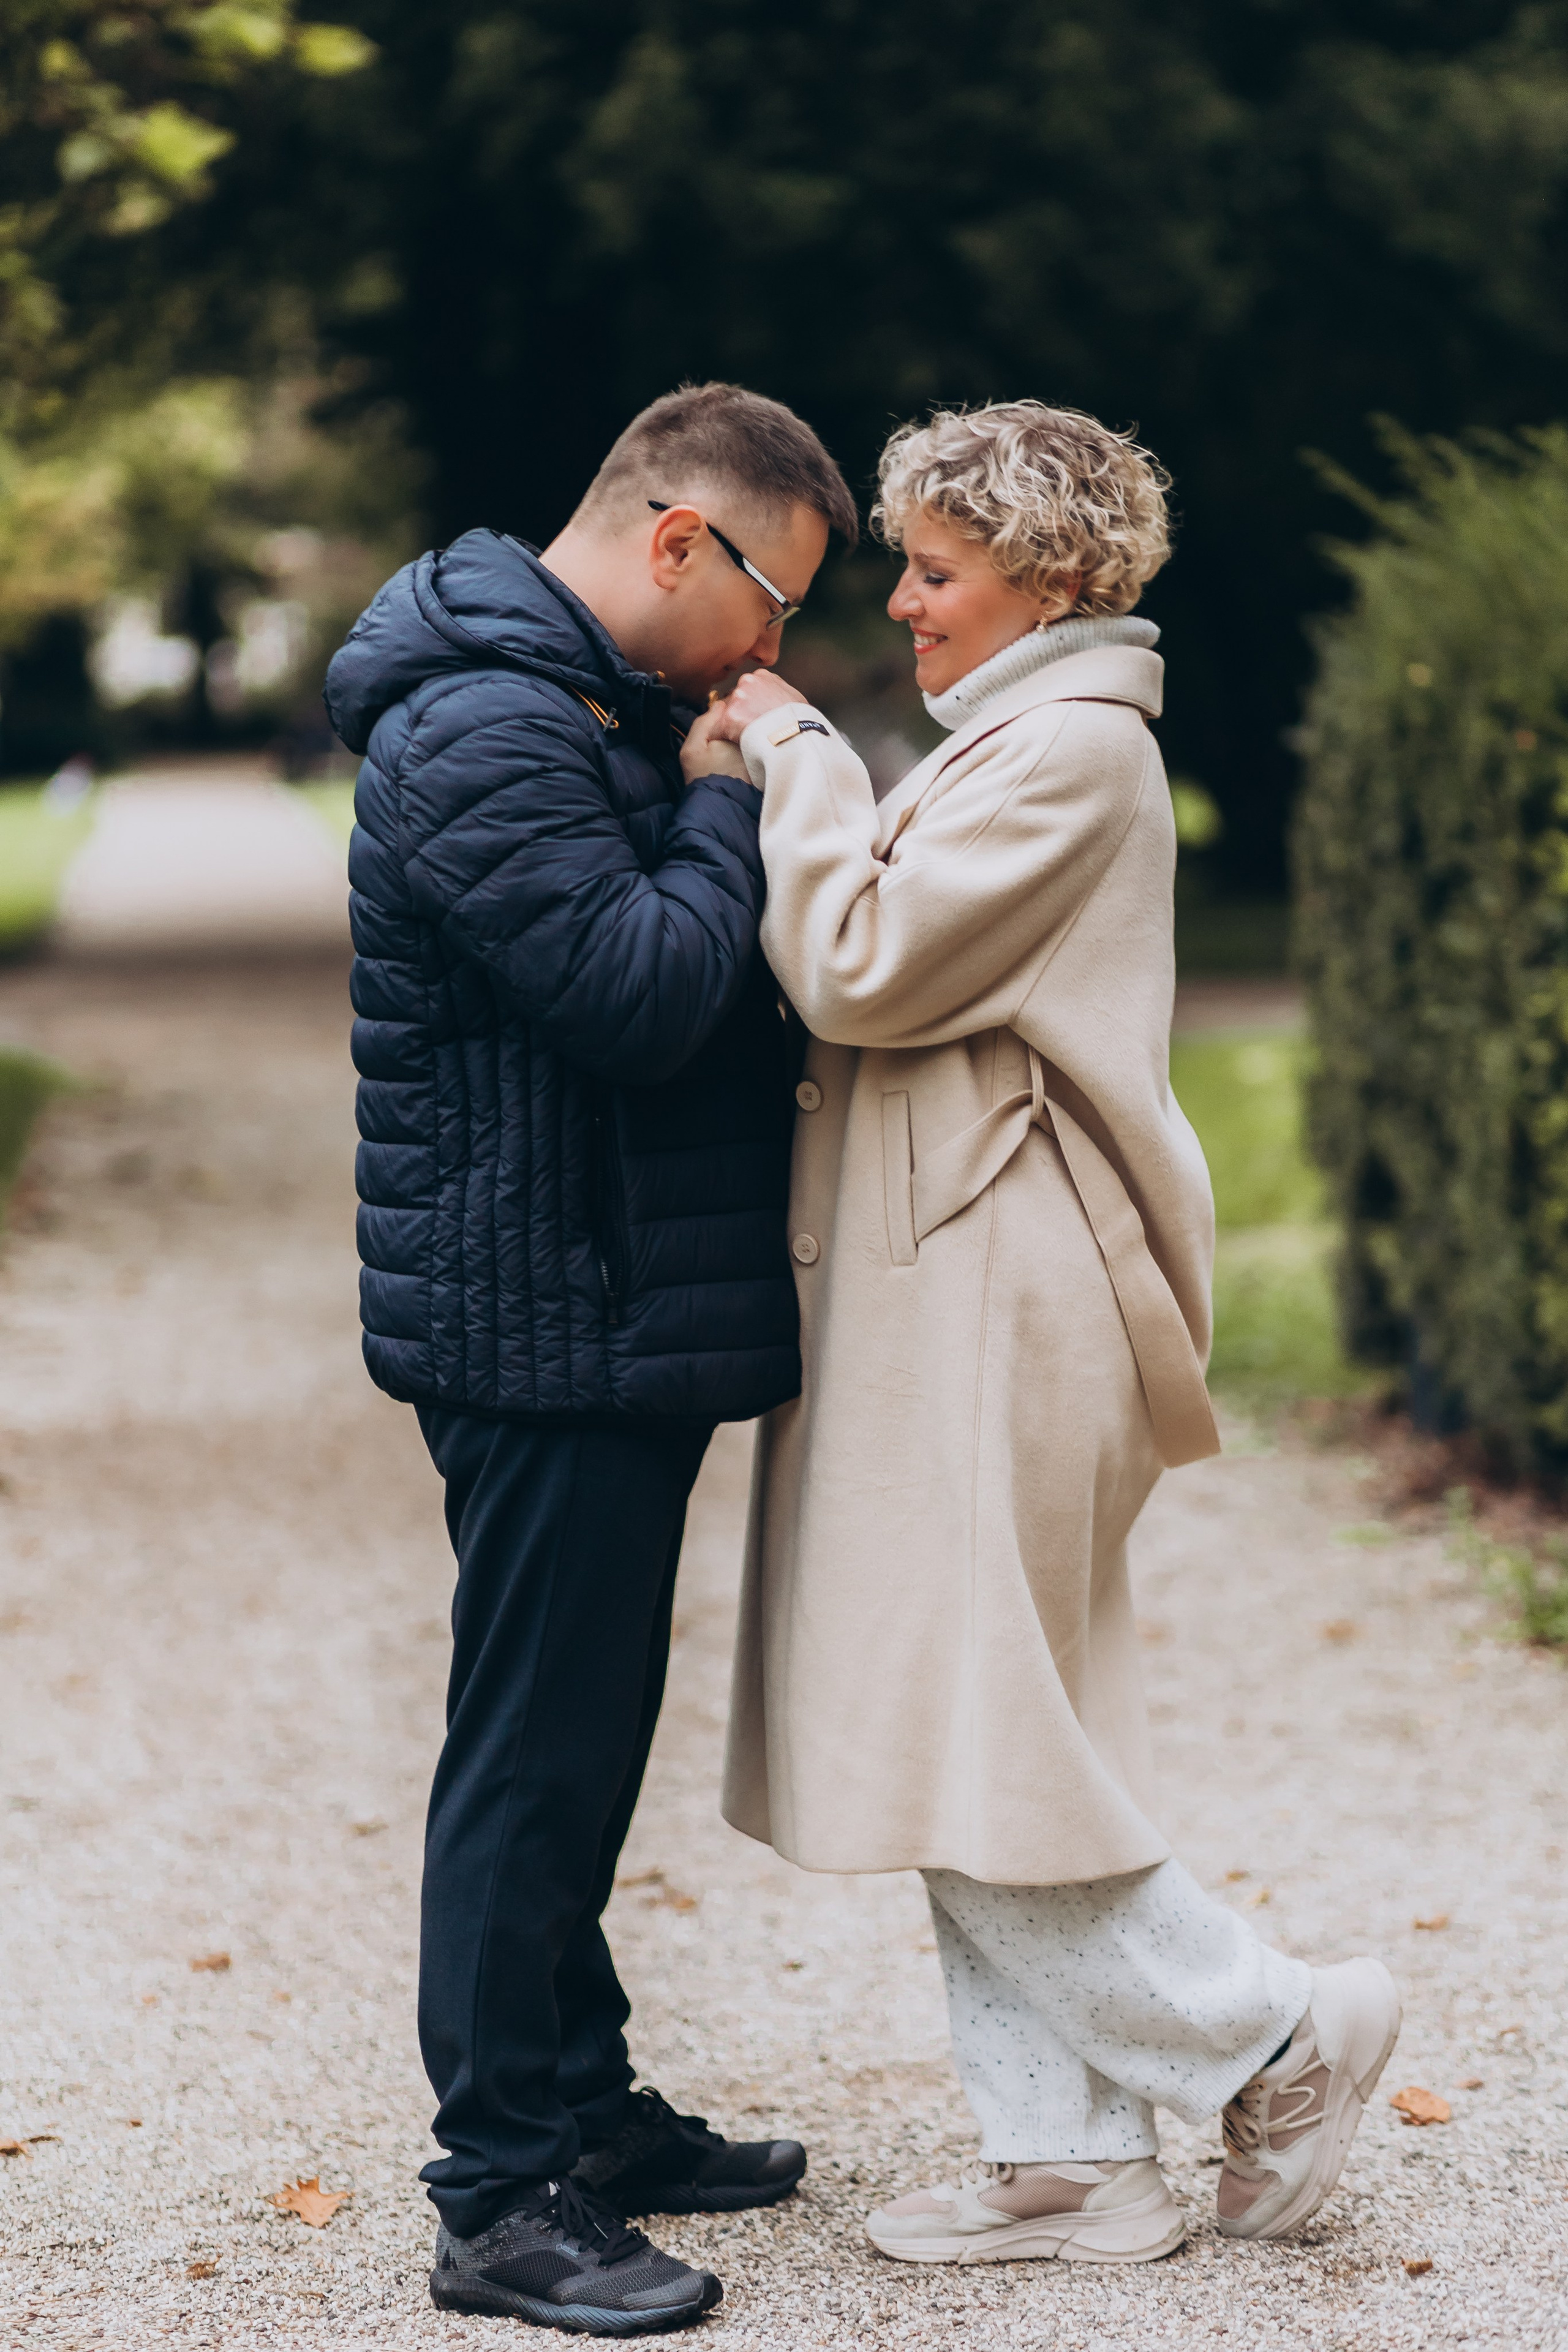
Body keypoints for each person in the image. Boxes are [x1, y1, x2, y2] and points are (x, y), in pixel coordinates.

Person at [693, 399, 1400, 2266]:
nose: (904, 605)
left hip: (1003, 1291)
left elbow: (861, 964)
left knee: (965, 1713)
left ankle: (1267, 2031)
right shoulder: (1021, 740)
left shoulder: (1071, 754)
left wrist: (791, 755)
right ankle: (1068, 2158)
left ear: (1053, 578)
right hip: (965, 1283)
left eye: (938, 570)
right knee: (970, 1721)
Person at [324, 383, 858, 2335]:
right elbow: (636, 994)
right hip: (538, 1319)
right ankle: (498, 2197)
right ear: (671, 541)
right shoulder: (479, 722)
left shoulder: (574, 703)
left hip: (601, 1303)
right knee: (533, 1754)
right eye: (772, 600)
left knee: (582, 1731)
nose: (777, 651)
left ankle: (587, 2109)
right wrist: (729, 802)